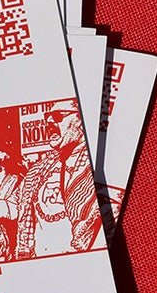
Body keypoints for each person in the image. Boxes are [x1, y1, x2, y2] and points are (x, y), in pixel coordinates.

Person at [14, 102, 103, 259]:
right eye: (47, 117)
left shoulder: (99, 168)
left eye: (58, 116)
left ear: (81, 120)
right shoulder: (36, 172)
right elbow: (18, 208)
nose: (49, 122)